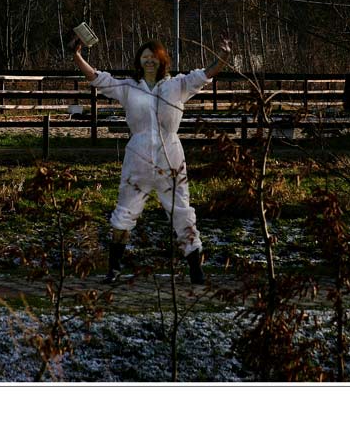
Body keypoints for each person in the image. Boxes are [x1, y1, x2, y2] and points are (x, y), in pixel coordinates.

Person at [72, 37, 231, 285]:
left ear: (162, 60)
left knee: (181, 212)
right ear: (139, 60)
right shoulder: (129, 87)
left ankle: (196, 270)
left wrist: (222, 57)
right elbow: (98, 79)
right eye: (144, 56)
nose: (149, 60)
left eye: (153, 56)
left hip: (171, 157)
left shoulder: (177, 86)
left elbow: (205, 75)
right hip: (138, 157)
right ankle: (114, 270)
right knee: (125, 211)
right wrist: (77, 56)